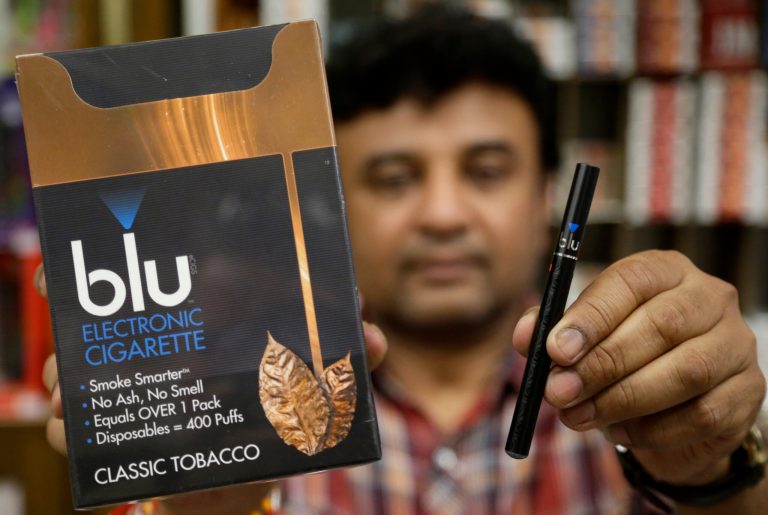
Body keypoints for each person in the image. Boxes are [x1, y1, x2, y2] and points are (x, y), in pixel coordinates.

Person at [42, 5, 768, 514]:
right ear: (329, 202)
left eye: (486, 171)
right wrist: (204, 502)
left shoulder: (633, 389)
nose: (444, 214)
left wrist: (712, 468)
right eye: (394, 178)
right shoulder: (247, 393)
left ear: (549, 193)